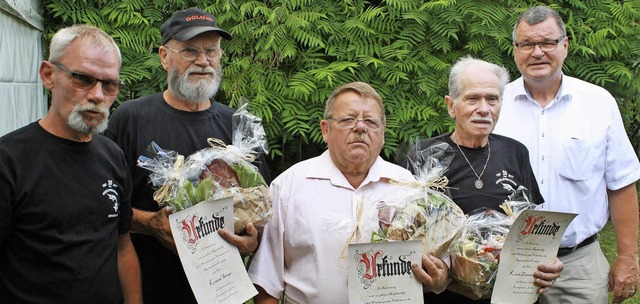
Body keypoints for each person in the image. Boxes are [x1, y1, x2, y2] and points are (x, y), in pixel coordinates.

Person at [104, 7, 271, 304]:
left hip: (224, 293)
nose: (203, 61)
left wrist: (252, 239)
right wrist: (150, 223)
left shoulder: (239, 128)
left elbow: (261, 211)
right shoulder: (131, 118)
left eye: (211, 51)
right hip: (147, 288)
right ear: (164, 56)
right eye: (190, 51)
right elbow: (103, 204)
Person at [248, 81, 451, 303]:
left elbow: (439, 266)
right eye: (348, 120)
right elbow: (266, 283)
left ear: (383, 134)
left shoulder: (408, 187)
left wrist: (439, 277)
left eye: (371, 122)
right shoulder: (288, 187)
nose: (360, 128)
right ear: (325, 130)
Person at [493, 6, 640, 304]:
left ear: (565, 45)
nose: (537, 52)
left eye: (547, 42)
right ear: (515, 50)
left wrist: (627, 256)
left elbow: (622, 184)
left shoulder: (599, 103)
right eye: (526, 44)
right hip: (507, 262)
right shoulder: (495, 105)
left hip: (579, 266)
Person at [403, 56, 563, 303]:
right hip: (443, 293)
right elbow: (406, 229)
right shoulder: (425, 156)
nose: (484, 109)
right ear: (451, 105)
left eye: (492, 99)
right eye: (472, 98)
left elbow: (530, 226)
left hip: (506, 293)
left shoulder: (515, 152)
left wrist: (544, 260)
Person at [0, 24, 141, 303]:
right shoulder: (9, 161)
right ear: (48, 75)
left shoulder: (113, 156)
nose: (98, 96)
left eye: (109, 84)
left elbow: (122, 245)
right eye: (83, 79)